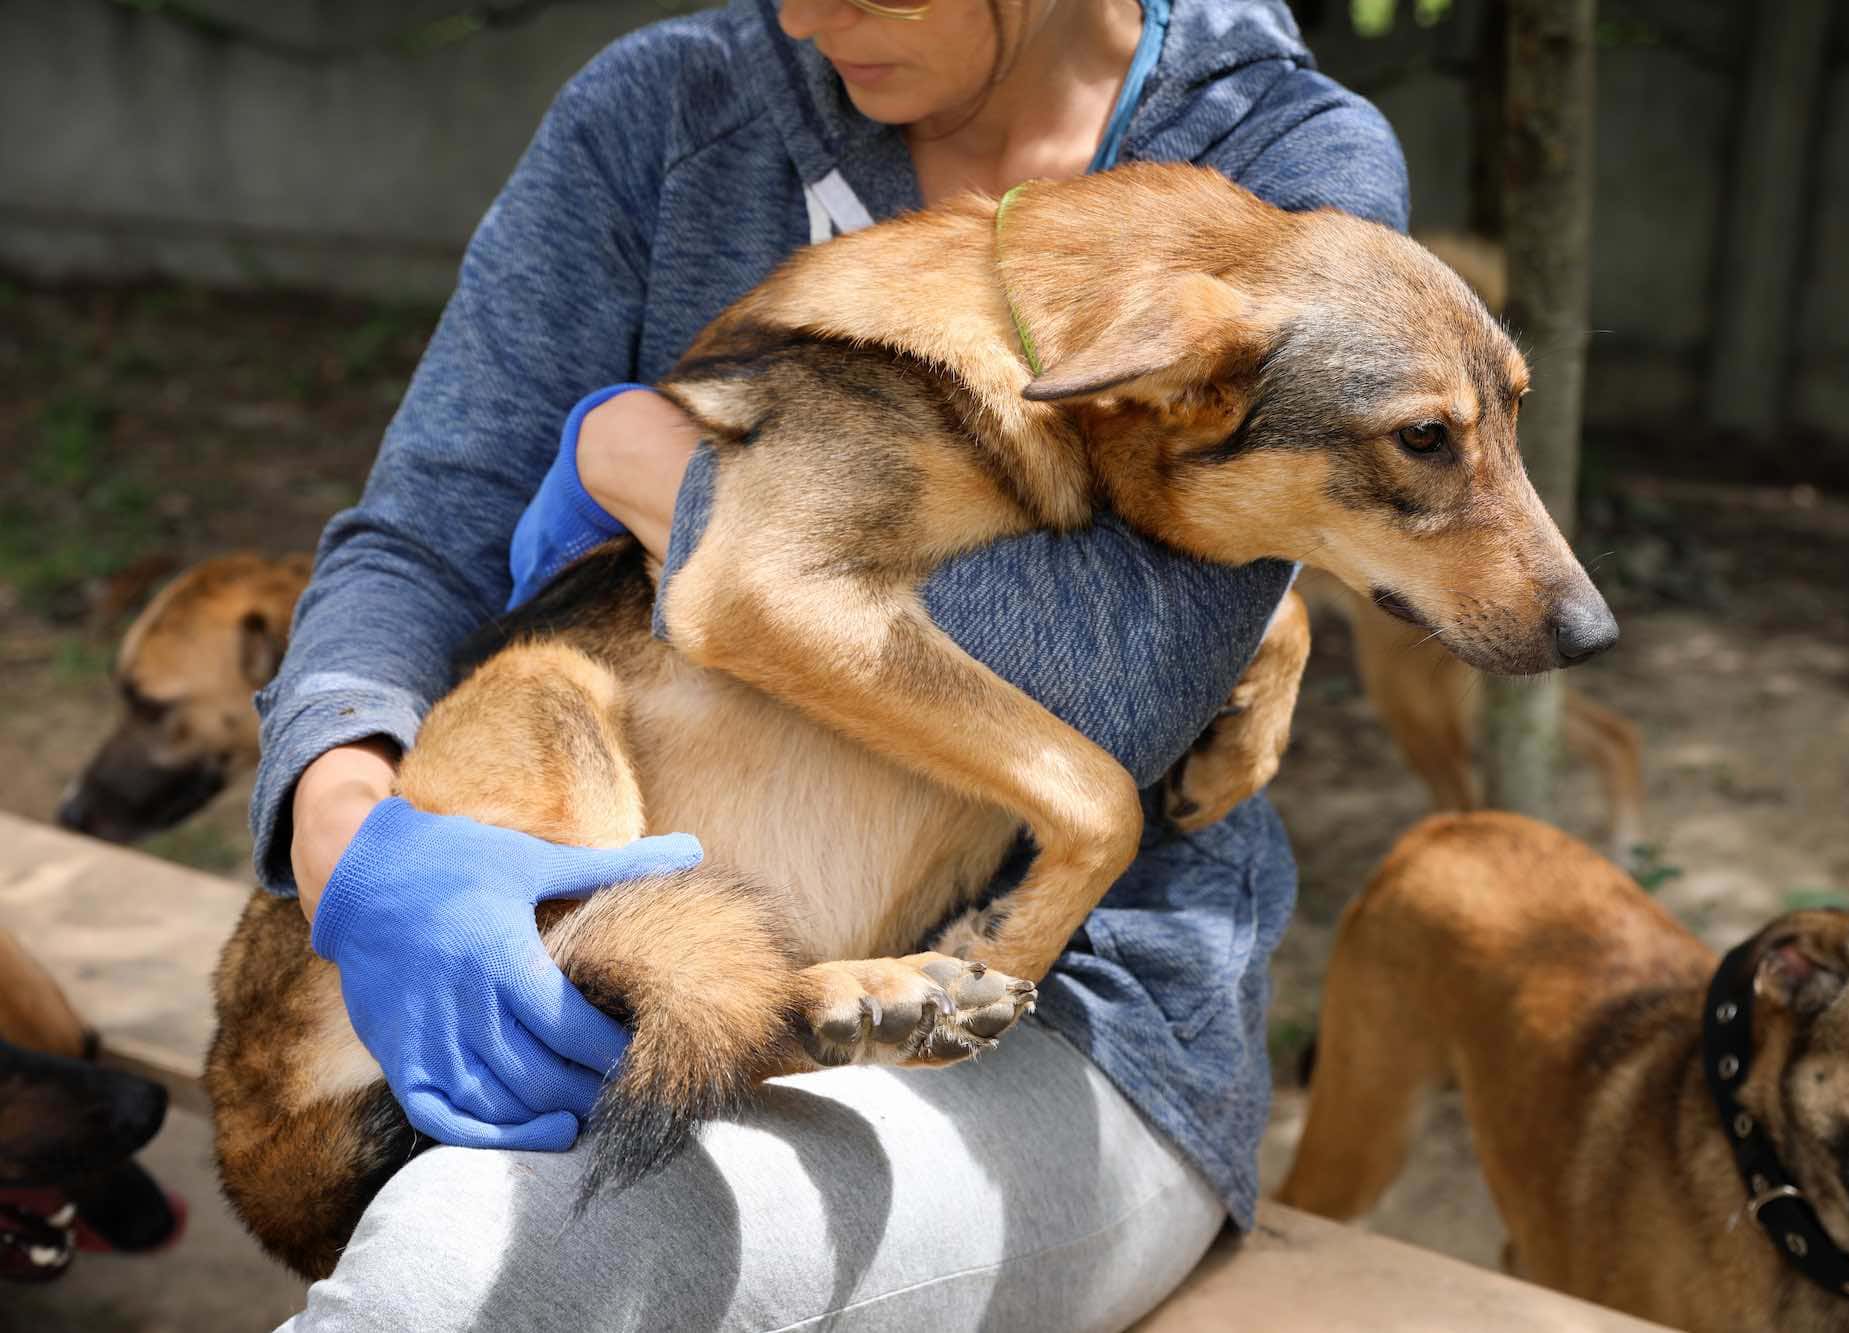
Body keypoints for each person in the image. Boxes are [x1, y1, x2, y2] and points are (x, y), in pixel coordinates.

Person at [252, 0, 1407, 1326]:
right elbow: (423, 534)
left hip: (1053, 1011)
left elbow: (1104, 688)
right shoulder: (670, 109)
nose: (803, 18)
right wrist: (358, 840)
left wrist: (671, 485)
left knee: (477, 1255)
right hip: (623, 920)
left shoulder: (1288, 168)